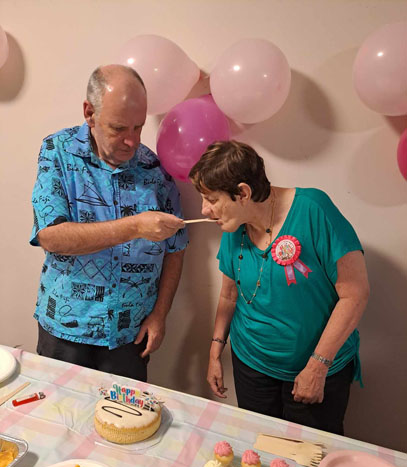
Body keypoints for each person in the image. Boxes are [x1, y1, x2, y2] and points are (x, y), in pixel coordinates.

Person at [189, 140, 370, 435]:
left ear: (243, 193)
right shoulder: (234, 224)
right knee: (260, 453)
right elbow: (228, 295)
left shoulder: (314, 210)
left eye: (211, 199)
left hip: (313, 370)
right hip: (251, 366)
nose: (204, 210)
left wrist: (317, 367)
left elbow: (354, 294)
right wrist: (214, 353)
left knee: (308, 460)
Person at [30, 64, 188, 381]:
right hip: (65, 329)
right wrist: (134, 226)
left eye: (138, 128)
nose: (132, 142)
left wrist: (160, 315)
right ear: (90, 113)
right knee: (60, 421)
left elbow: (176, 248)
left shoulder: (156, 169)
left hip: (130, 335)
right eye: (119, 128)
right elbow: (51, 236)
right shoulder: (57, 151)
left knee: (123, 425)